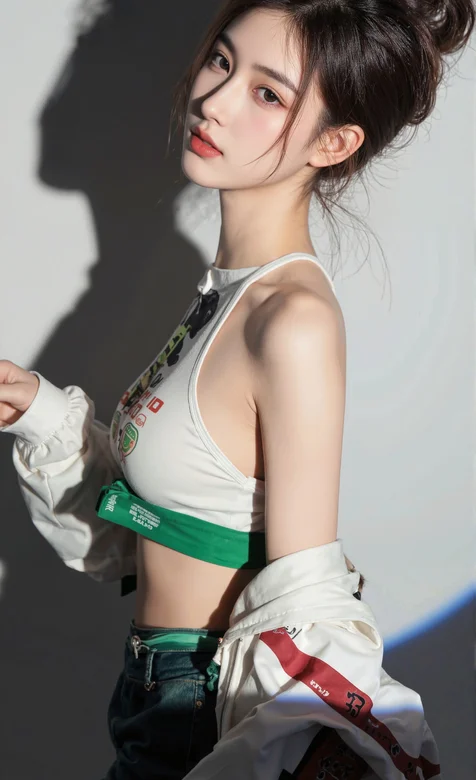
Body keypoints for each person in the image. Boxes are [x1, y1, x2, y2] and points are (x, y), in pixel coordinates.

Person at [0, 0, 473, 777]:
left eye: (267, 93)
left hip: (204, 710)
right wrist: (37, 408)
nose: (213, 100)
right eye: (221, 61)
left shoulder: (291, 321)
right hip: (157, 687)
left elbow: (305, 599)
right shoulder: (226, 292)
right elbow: (168, 519)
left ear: (334, 142)